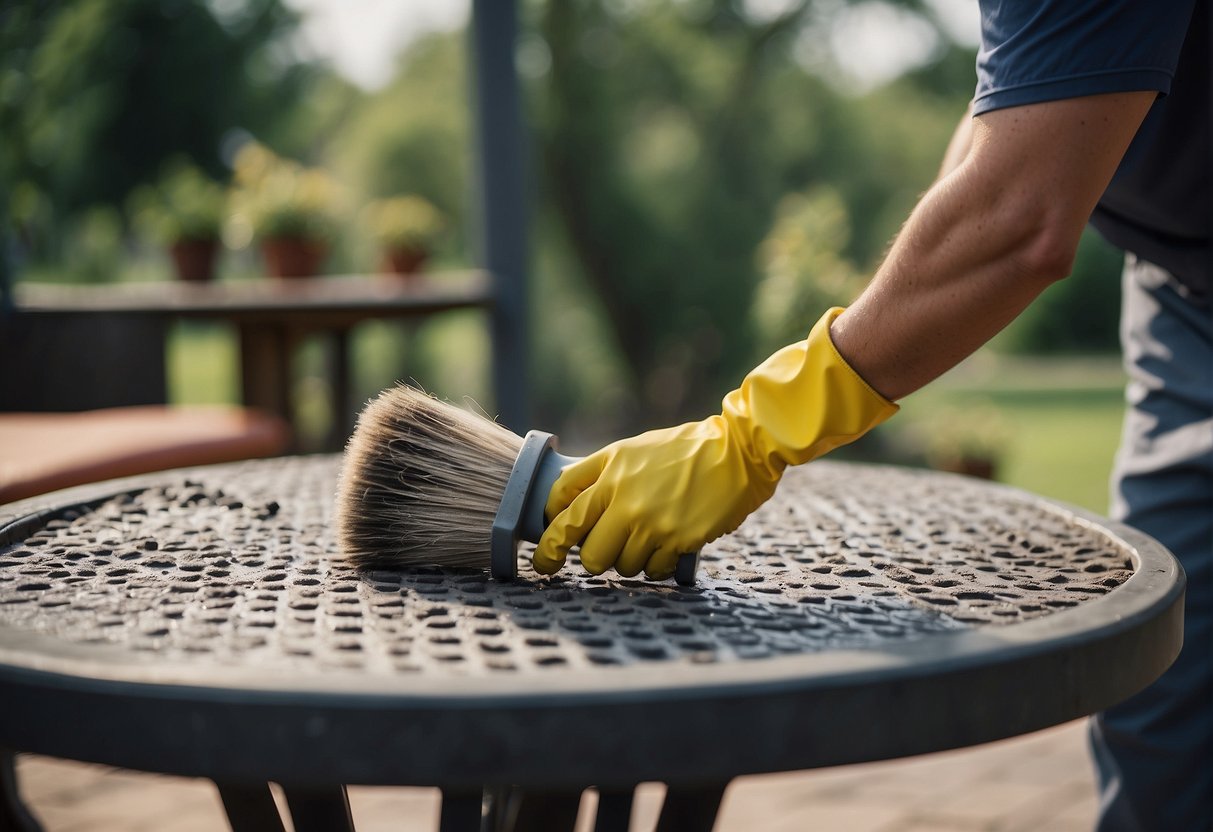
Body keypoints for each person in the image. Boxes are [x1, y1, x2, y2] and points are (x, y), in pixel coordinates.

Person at [534, 1, 1211, 830]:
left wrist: (749, 435)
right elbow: (1021, 102)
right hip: (1184, 294)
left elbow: (1018, 218)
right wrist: (903, 307)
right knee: (1166, 722)